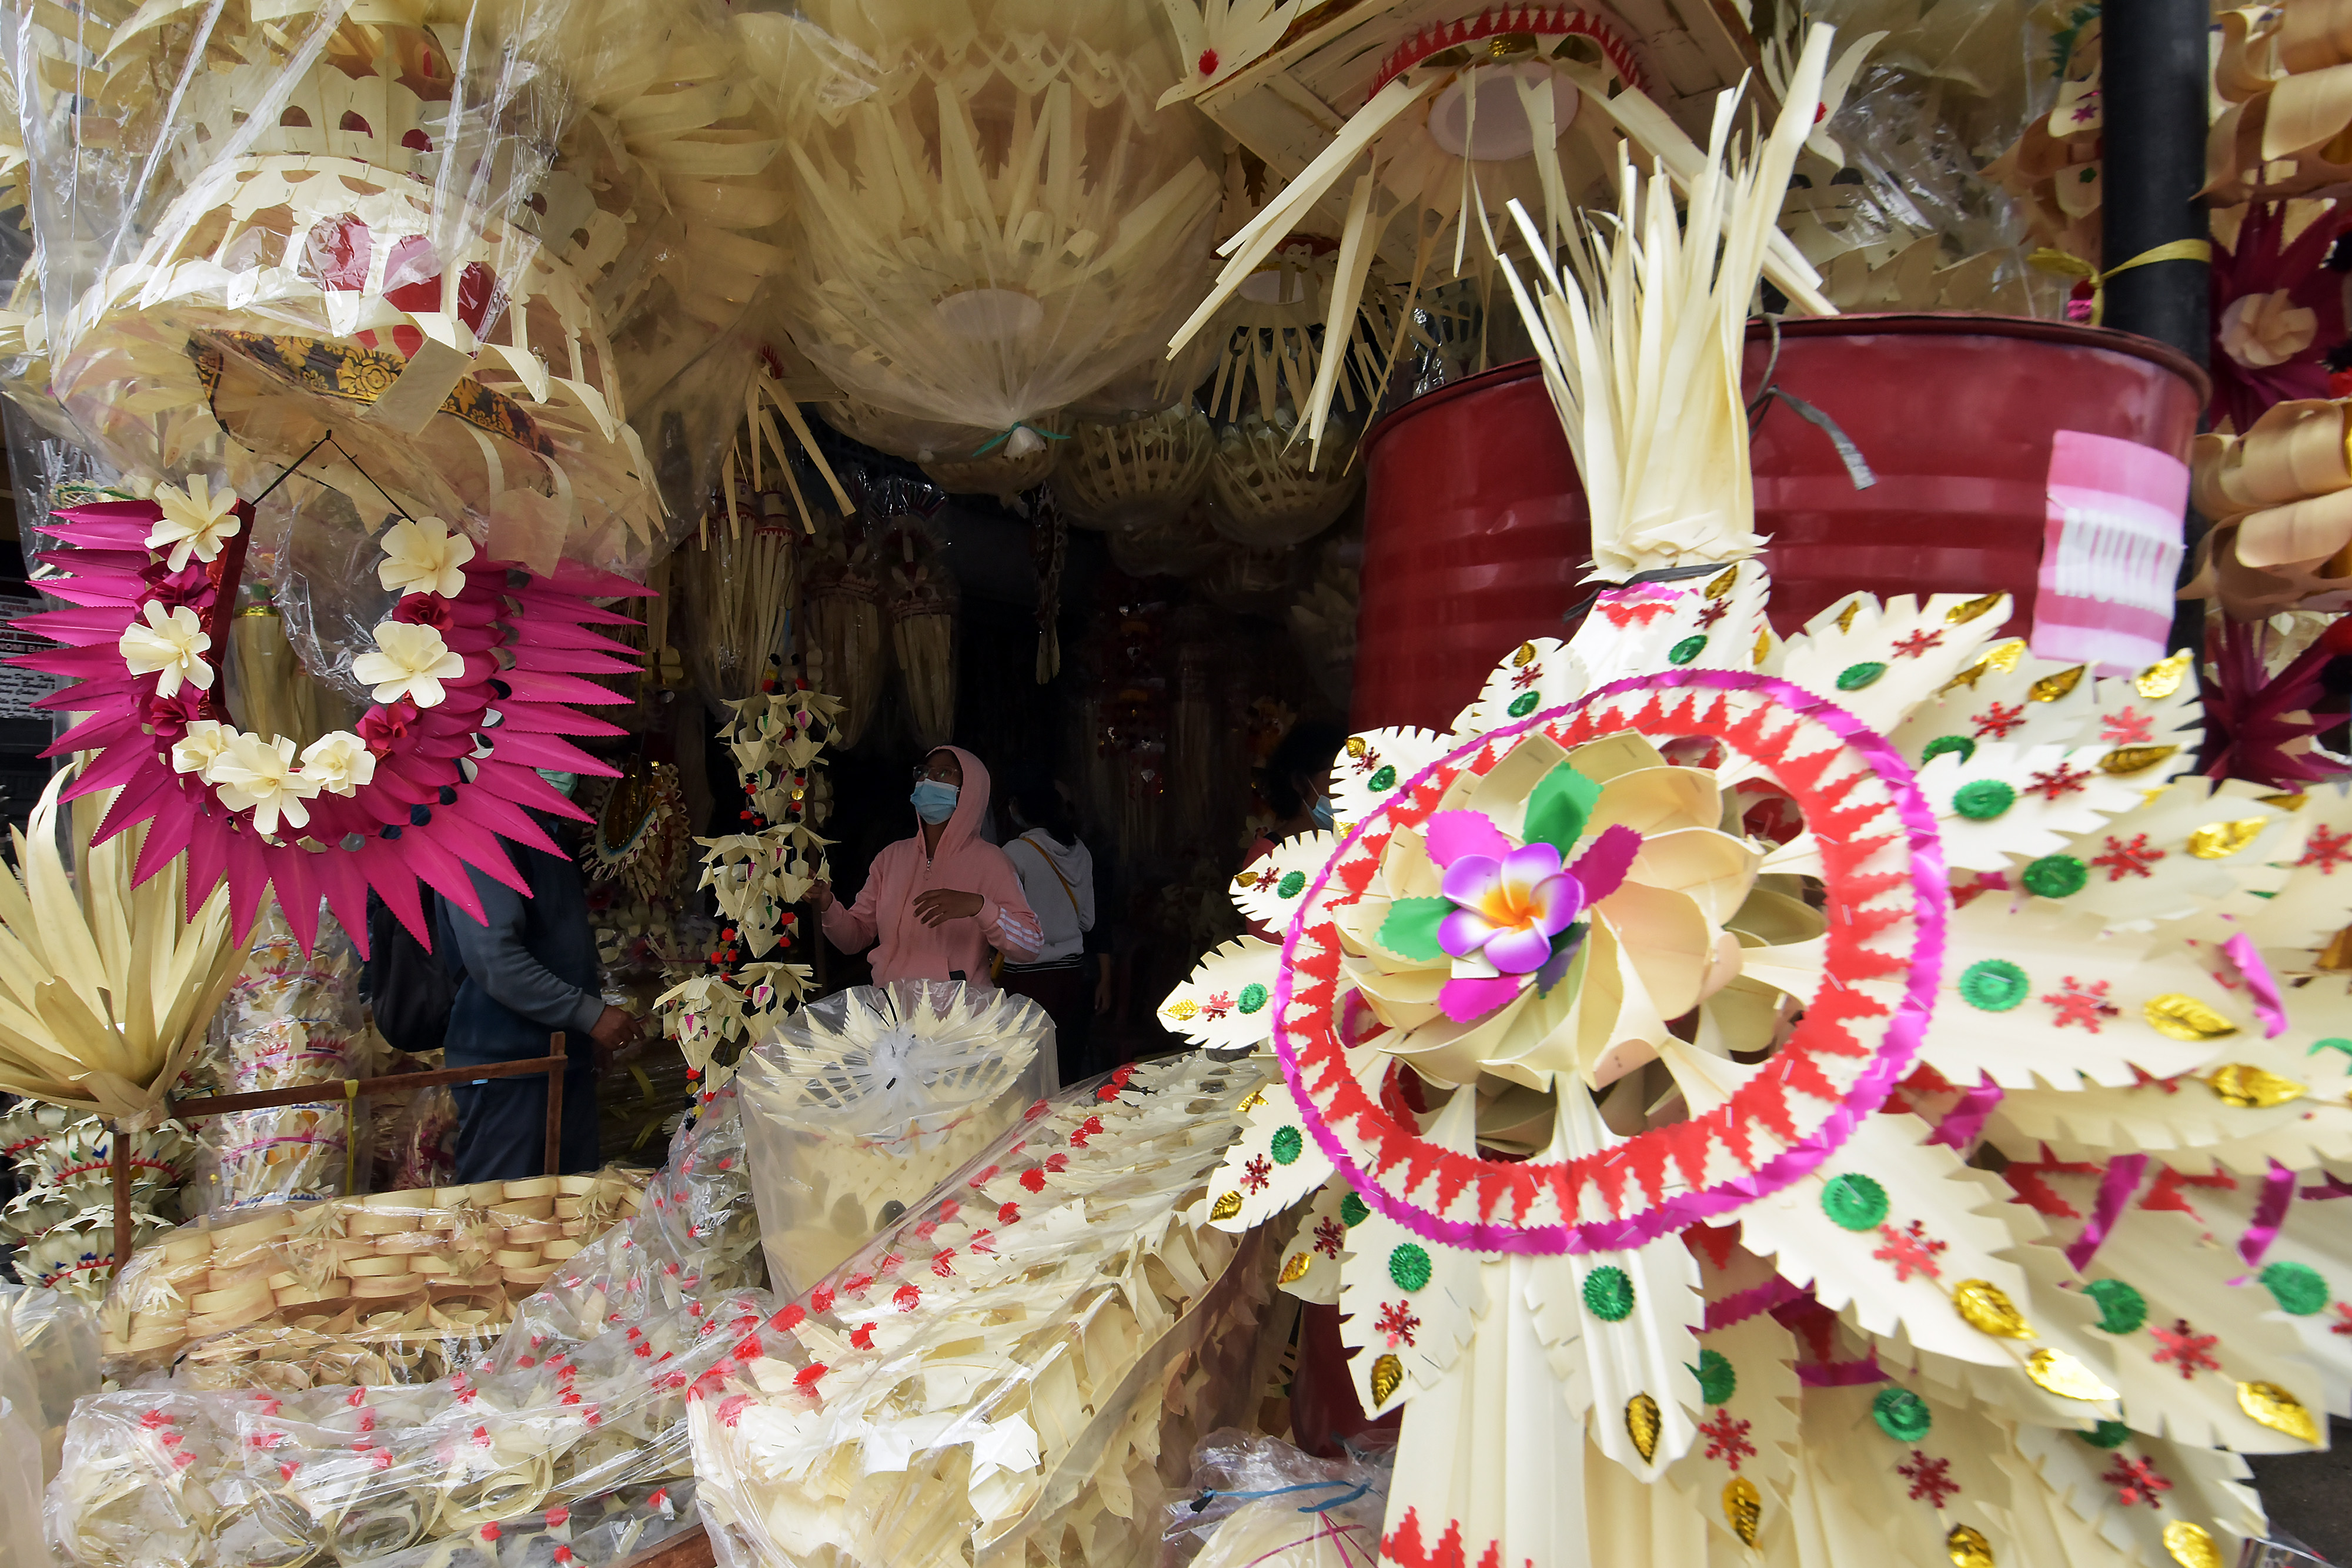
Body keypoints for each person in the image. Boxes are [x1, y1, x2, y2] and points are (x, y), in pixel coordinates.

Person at [439, 771, 642, 1182]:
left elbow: (559, 943)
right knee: (500, 1217)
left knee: (569, 1209)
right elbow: (494, 958)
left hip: (556, 1060)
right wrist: (588, 1014)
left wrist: (585, 1032)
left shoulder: (543, 833)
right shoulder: (484, 832)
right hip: (509, 1067)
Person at [811, 745, 1043, 987]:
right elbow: (854, 939)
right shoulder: (891, 858)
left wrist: (980, 907)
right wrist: (828, 906)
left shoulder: (992, 862)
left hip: (960, 1014)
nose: (928, 780)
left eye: (944, 773)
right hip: (892, 1009)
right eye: (923, 772)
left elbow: (1030, 945)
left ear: (971, 791)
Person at [995, 782, 1097, 1084]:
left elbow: (1004, 919)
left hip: (1027, 973)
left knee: (1026, 1066)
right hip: (1072, 972)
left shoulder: (1014, 853)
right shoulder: (1080, 851)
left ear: (1020, 808)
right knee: (1064, 1063)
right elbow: (1088, 922)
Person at [1241, 719, 1350, 942]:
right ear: (1299, 782)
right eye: (1336, 775)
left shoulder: (1361, 843)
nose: (1346, 786)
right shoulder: (1266, 857)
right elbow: (1267, 943)